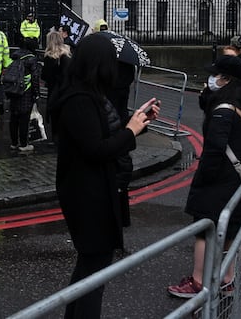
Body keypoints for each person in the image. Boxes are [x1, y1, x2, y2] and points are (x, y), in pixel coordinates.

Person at [49, 33, 159, 318]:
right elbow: (97, 149)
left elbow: (106, 134)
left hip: (94, 190)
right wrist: (131, 130)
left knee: (90, 268)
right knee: (94, 273)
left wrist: (139, 124)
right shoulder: (78, 100)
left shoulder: (89, 95)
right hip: (87, 195)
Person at [168, 55, 241, 298]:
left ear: (226, 79)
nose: (211, 79)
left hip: (220, 178)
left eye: (216, 75)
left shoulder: (223, 110)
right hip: (240, 176)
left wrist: (202, 180)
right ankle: (226, 281)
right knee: (230, 231)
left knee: (205, 229)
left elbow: (214, 148)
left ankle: (198, 281)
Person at [7, 37, 41, 152]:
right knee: (24, 118)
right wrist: (36, 93)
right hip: (25, 91)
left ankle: (14, 143)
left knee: (14, 117)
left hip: (13, 89)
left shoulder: (14, 56)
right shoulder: (31, 59)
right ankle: (23, 144)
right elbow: (35, 78)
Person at [41, 29, 71, 142]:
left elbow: (45, 76)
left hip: (54, 90)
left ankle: (55, 137)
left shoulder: (49, 57)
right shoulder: (67, 55)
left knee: (55, 115)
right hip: (65, 90)